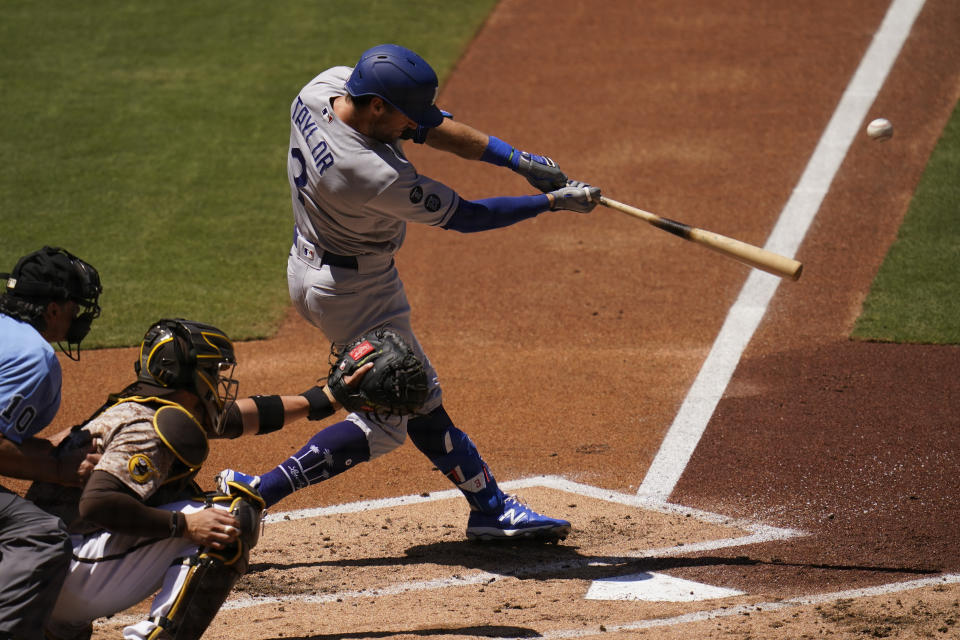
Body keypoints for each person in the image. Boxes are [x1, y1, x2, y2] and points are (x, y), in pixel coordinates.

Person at [219, 43, 601, 542]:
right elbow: (466, 216)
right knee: (394, 408)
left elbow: (430, 127)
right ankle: (258, 491)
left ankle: (488, 506)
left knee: (410, 398)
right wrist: (548, 202)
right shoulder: (369, 173)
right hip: (356, 292)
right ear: (377, 105)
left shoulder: (322, 88)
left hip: (313, 265)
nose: (413, 127)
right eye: (405, 116)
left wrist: (516, 158)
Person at [34, 318, 371, 640]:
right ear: (184, 373)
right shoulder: (147, 428)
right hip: (70, 569)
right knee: (230, 516)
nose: (217, 379)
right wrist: (184, 526)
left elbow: (240, 416)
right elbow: (98, 503)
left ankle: (55, 628)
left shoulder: (153, 407)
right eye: (210, 371)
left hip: (48, 573)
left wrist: (324, 399)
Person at [0, 246, 102, 639]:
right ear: (53, 310)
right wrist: (57, 466)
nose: (79, 315)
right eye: (75, 305)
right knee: (41, 535)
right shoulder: (32, 355)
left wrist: (46, 451)